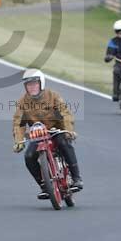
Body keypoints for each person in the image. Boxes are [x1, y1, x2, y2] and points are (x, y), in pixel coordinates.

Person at [12, 69, 83, 199]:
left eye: (34, 84)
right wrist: (18, 140)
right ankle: (44, 186)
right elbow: (18, 123)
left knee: (64, 143)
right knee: (28, 156)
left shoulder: (53, 95)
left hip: (57, 130)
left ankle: (76, 178)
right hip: (38, 134)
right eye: (28, 85)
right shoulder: (22, 101)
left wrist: (68, 130)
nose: (32, 87)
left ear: (41, 83)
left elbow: (65, 113)